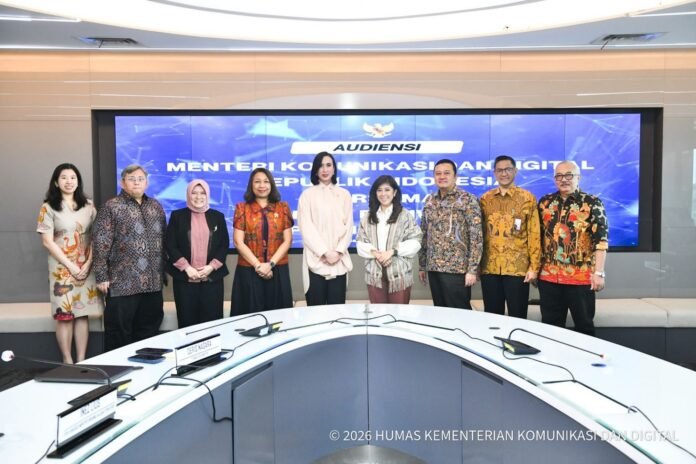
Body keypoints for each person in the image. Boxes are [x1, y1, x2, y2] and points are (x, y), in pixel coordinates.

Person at [93, 164, 166, 351]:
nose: (136, 182)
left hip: (152, 284)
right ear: (122, 182)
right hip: (122, 284)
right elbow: (100, 242)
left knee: (149, 333)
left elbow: (164, 239)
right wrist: (101, 276)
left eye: (141, 179)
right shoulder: (111, 207)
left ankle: (145, 367)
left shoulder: (156, 206)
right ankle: (119, 368)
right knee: (119, 334)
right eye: (131, 179)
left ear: (146, 183)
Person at [37, 163, 102, 363]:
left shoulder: (88, 206)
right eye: (64, 177)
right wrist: (71, 266)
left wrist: (88, 263)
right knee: (64, 315)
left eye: (73, 177)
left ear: (78, 181)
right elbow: (47, 241)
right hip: (62, 269)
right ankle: (67, 361)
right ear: (56, 182)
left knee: (82, 314)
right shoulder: (48, 207)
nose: (69, 181)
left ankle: (82, 361)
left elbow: (98, 236)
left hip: (86, 267)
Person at [537, 160, 609, 336]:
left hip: (580, 277)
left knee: (584, 327)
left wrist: (599, 273)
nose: (564, 179)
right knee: (550, 329)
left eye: (569, 175)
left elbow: (601, 241)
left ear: (578, 177)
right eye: (559, 176)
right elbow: (536, 237)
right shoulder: (545, 202)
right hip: (549, 277)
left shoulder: (592, 202)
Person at [479, 155, 541, 319]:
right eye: (500, 170)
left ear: (515, 171)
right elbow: (480, 234)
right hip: (490, 267)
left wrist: (534, 267)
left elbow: (534, 234)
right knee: (492, 317)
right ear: (494, 173)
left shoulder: (527, 198)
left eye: (508, 169)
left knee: (518, 316)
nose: (504, 173)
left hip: (517, 269)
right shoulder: (485, 199)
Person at [418, 159, 483, 309]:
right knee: (440, 313)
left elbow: (476, 237)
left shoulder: (467, 200)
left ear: (455, 176)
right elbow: (424, 234)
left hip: (457, 269)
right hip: (434, 267)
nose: (442, 176)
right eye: (438, 173)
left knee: (459, 314)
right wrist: (422, 265)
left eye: (446, 173)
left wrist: (472, 269)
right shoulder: (430, 201)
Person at [165, 179, 229, 328]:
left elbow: (223, 245)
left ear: (208, 195)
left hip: (212, 280)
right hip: (184, 280)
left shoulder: (218, 216)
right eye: (194, 193)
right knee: (187, 323)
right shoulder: (177, 216)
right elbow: (170, 245)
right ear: (188, 194)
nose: (198, 197)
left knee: (212, 325)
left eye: (202, 193)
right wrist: (187, 268)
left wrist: (211, 267)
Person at [231, 168, 293, 315]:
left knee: (279, 318)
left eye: (266, 181)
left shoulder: (283, 208)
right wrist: (258, 265)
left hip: (277, 270)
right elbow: (238, 242)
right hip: (249, 270)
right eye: (257, 182)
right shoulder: (242, 208)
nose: (262, 185)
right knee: (249, 318)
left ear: (271, 184)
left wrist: (270, 264)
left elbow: (287, 240)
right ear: (251, 185)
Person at [298, 152, 353, 306]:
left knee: (337, 310)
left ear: (334, 169)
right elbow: (306, 227)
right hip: (315, 260)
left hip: (339, 261)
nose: (325, 169)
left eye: (328, 165)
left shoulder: (344, 194)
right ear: (315, 170)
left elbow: (348, 226)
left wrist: (338, 252)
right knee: (315, 311)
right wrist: (324, 252)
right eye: (320, 166)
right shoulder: (307, 195)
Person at [356, 175, 422, 304]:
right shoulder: (368, 217)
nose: (383, 194)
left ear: (394, 192)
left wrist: (392, 252)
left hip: (400, 275)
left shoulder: (405, 215)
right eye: (379, 190)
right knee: (378, 314)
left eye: (387, 190)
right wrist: (377, 254)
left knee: (399, 313)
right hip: (374, 275)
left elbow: (416, 241)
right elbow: (360, 242)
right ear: (375, 193)